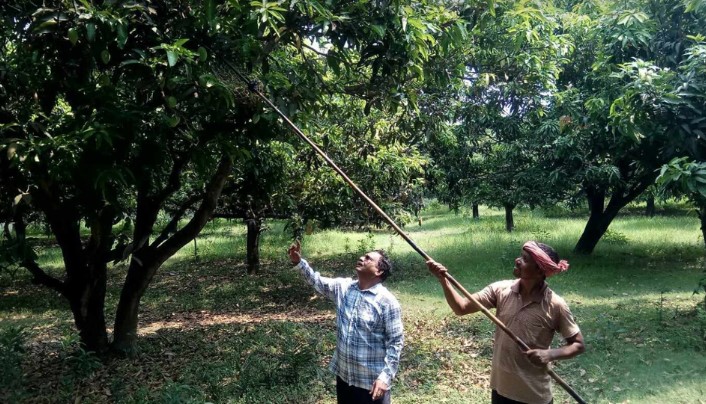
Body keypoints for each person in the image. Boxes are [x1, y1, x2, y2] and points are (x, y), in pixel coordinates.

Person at [426, 241, 585, 404]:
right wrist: (443, 280)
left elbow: (578, 345)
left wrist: (549, 354)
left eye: (524, 259)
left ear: (539, 269)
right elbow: (461, 308)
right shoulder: (500, 290)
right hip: (501, 390)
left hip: (533, 396)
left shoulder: (555, 305)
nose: (517, 260)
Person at [288, 240, 404, 404]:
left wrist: (385, 377)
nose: (362, 258)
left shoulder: (387, 302)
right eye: (364, 255)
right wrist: (299, 262)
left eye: (368, 258)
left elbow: (396, 342)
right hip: (345, 378)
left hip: (371, 384)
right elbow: (317, 281)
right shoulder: (344, 287)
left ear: (378, 271)